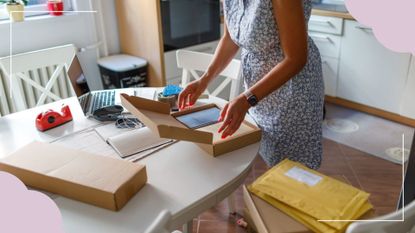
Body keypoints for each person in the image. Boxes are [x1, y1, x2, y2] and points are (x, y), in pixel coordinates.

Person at [178, 0, 324, 169]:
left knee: (293, 171)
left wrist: (247, 99)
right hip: (257, 92)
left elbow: (295, 59)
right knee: (268, 157)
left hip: (291, 91)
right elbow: (230, 39)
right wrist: (205, 79)